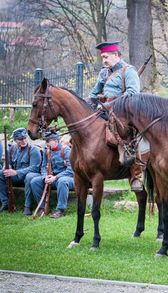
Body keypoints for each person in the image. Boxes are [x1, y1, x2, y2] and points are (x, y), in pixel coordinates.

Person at [88, 41, 145, 192]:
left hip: (124, 111)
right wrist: (88, 105)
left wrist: (112, 105)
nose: (104, 60)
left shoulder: (129, 71)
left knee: (128, 136)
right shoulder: (104, 72)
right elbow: (94, 93)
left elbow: (132, 93)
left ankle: (136, 175)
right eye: (102, 57)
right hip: (104, 110)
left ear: (116, 55)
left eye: (106, 57)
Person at [29, 131, 75, 218]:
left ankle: (60, 210)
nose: (46, 143)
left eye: (48, 141)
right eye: (45, 141)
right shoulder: (47, 151)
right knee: (34, 181)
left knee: (62, 181)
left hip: (68, 178)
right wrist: (44, 177)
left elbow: (71, 170)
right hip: (52, 178)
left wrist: (55, 177)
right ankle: (42, 208)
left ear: (56, 141)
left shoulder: (65, 150)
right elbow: (43, 167)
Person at [0, 128, 41, 212]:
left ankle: (27, 206)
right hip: (16, 176)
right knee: (1, 173)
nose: (24, 141)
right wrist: (7, 166)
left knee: (29, 177)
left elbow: (34, 168)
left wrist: (16, 172)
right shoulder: (12, 148)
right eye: (20, 139)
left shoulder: (33, 150)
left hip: (30, 176)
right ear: (15, 140)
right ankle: (5, 203)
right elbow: (8, 162)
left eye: (25, 138)